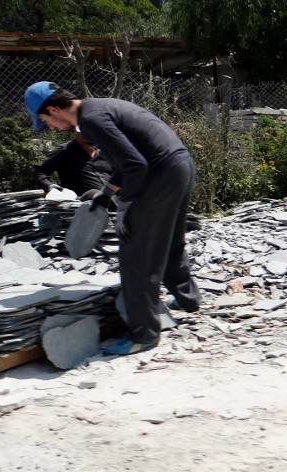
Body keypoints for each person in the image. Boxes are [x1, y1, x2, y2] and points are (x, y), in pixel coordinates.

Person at [23, 81, 201, 355]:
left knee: (135, 253)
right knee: (171, 239)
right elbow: (128, 160)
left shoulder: (91, 120)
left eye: (43, 120)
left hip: (159, 172)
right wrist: (106, 193)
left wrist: (124, 205)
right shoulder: (98, 109)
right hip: (178, 165)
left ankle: (144, 333)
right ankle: (188, 299)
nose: (47, 126)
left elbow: (135, 166)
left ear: (53, 109)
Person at [33, 133, 114, 198]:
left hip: (114, 202)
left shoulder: (104, 153)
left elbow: (119, 175)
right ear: (76, 132)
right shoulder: (65, 151)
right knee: (94, 193)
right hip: (83, 204)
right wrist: (49, 186)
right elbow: (40, 172)